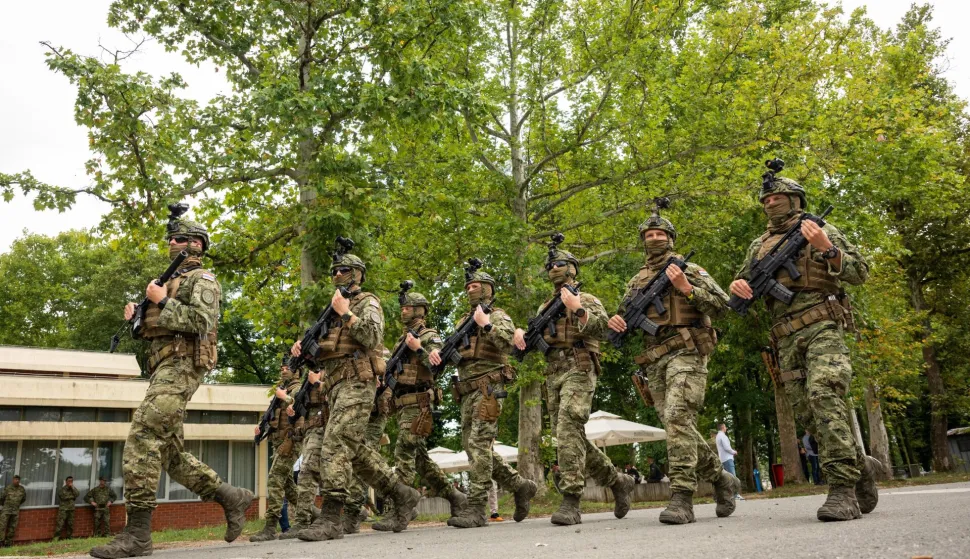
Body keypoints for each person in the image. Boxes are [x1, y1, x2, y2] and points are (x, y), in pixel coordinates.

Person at [91, 213, 253, 559]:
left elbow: (202, 322)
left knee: (143, 437)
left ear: (196, 244)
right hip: (163, 368)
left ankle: (138, 535)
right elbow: (155, 331)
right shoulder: (169, 281)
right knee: (171, 455)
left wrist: (162, 300)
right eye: (170, 239)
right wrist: (138, 317)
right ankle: (231, 497)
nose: (171, 243)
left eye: (178, 239)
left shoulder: (202, 279)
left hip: (183, 366)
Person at [730, 160, 881, 521]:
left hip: (823, 326)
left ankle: (842, 491)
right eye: (766, 200)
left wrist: (828, 249)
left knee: (823, 394)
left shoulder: (820, 229)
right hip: (784, 337)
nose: (771, 203)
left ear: (796, 200)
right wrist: (738, 287)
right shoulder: (758, 245)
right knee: (808, 414)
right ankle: (860, 466)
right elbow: (742, 287)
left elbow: (860, 272)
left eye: (778, 197)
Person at [608, 203, 741, 525]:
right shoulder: (636, 281)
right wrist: (616, 321)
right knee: (676, 426)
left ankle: (682, 497)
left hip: (688, 351)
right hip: (655, 359)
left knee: (678, 416)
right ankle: (722, 480)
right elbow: (625, 318)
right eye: (649, 234)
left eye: (660, 234)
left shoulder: (689, 270)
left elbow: (724, 307)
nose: (654, 238)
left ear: (671, 238)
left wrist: (686, 288)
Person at [291, 247, 420, 541]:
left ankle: (331, 518)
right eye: (335, 271)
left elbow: (372, 337)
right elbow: (325, 354)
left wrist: (346, 313)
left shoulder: (367, 302)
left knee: (335, 444)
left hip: (357, 382)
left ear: (358, 274)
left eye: (344, 270)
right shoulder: (329, 314)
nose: (338, 274)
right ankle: (402, 494)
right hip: (334, 387)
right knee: (356, 451)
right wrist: (304, 350)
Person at [513, 245, 634, 526]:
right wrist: (520, 335)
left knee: (568, 428)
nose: (554, 269)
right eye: (550, 266)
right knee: (568, 435)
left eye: (560, 264)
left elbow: (604, 328)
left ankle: (571, 500)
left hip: (579, 368)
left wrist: (578, 309)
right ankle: (618, 482)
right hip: (552, 374)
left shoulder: (585, 298)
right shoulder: (545, 306)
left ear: (572, 269)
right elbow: (533, 342)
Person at [430, 263, 537, 529]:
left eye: (475, 286)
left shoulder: (498, 316)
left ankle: (477, 508)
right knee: (472, 447)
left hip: (489, 388)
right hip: (467, 392)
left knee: (478, 445)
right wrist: (436, 355)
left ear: (488, 288)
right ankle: (519, 485)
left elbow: (511, 345)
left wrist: (486, 326)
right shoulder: (461, 322)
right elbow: (452, 355)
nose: (470, 290)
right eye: (467, 287)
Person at [372, 290, 468, 530]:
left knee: (403, 451)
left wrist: (418, 348)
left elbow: (438, 365)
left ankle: (400, 510)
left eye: (407, 307)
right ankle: (455, 497)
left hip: (419, 403)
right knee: (421, 461)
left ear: (419, 310)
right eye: (402, 307)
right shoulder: (401, 339)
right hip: (403, 404)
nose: (403, 311)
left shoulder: (429, 336)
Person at [250, 359, 305, 542]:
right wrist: (261, 427)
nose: (283, 370)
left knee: (274, 479)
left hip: (291, 442)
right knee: (289, 487)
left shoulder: (298, 389)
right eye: (281, 368)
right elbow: (272, 415)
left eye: (287, 368)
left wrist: (285, 398)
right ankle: (312, 516)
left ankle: (270, 527)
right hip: (279, 442)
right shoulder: (282, 390)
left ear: (297, 372)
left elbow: (301, 407)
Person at [716, 424, 743, 500]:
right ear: (723, 428)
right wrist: (734, 452)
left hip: (722, 459)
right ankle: (735, 495)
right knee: (733, 477)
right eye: (725, 427)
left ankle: (728, 495)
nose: (726, 428)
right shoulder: (723, 436)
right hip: (727, 459)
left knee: (726, 478)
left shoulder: (718, 436)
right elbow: (727, 448)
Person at [0, 475, 26, 547]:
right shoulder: (8, 488)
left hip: (15, 511)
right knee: (2, 526)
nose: (17, 481)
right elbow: (1, 498)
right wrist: (6, 505)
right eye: (15, 479)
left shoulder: (22, 489)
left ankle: (8, 543)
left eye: (18, 479)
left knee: (12, 527)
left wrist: (16, 504)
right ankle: (1, 542)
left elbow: (23, 499)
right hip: (6, 510)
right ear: (13, 480)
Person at [53, 476, 80, 541]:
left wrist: (73, 488)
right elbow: (63, 497)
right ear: (66, 482)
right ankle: (56, 538)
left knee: (70, 524)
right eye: (69, 481)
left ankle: (69, 537)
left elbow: (77, 494)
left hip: (71, 509)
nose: (70, 482)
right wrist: (72, 497)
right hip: (63, 509)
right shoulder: (63, 489)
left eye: (71, 481)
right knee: (60, 524)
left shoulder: (73, 489)